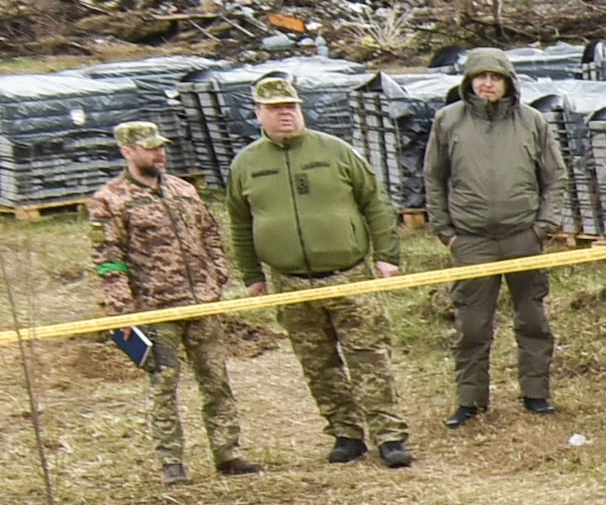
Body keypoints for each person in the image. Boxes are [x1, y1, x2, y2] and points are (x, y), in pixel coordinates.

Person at [219, 74, 407, 469]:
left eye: (291, 107)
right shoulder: (247, 164)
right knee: (318, 362)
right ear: (258, 114)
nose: (285, 115)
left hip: (349, 274)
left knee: (369, 357)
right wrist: (253, 274)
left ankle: (389, 436)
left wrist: (387, 254)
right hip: (291, 282)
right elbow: (239, 222)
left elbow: (376, 202)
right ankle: (345, 433)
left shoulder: (336, 151)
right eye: (275, 109)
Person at [84, 113, 246, 480]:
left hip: (202, 303)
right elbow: (108, 260)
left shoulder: (183, 189)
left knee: (216, 381)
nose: (160, 155)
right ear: (128, 151)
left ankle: (229, 453)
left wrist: (217, 274)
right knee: (164, 386)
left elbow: (211, 234)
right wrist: (121, 311)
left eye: (161, 148)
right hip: (156, 311)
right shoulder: (110, 200)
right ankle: (172, 462)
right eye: (150, 148)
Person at [417, 53, 564, 425]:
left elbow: (554, 177)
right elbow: (433, 177)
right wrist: (446, 232)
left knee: (533, 320)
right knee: (472, 325)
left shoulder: (532, 122)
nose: (487, 84)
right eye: (479, 77)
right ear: (468, 81)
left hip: (523, 237)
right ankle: (470, 401)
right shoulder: (448, 121)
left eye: (495, 78)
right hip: (471, 240)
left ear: (508, 83)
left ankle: (536, 394)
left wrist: (543, 226)